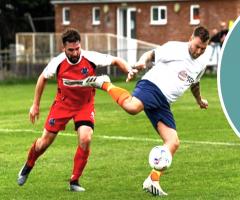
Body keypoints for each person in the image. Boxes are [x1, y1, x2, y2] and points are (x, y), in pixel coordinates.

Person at [64, 26, 210, 196]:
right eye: (197, 46)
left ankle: (152, 180)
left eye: (203, 48)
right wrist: (142, 62)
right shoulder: (175, 48)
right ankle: (105, 83)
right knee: (132, 108)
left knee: (173, 142)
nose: (199, 51)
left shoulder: (201, 63)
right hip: (152, 86)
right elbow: (151, 55)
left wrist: (199, 100)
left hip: (164, 102)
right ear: (191, 38)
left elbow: (194, 83)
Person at [17, 28, 130, 192]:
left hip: (84, 105)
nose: (75, 52)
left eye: (77, 48)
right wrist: (35, 105)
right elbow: (42, 78)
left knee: (85, 138)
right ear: (64, 48)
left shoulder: (90, 57)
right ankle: (28, 165)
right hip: (62, 105)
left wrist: (128, 69)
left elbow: (116, 60)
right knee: (43, 143)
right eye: (71, 50)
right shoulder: (58, 62)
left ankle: (74, 181)